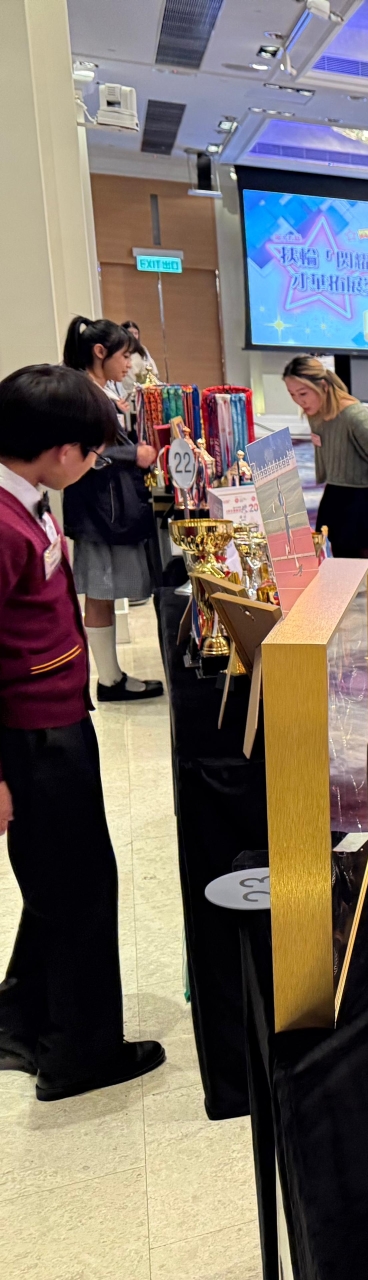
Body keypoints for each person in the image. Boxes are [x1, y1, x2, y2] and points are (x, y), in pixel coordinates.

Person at [0, 364, 166, 1099]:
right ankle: (78, 1056)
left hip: (57, 717)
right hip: (35, 737)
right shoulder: (4, 522)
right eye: (93, 451)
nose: (96, 462)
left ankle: (21, 1019)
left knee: (59, 882)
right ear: (61, 451)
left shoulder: (25, 499)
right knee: (79, 892)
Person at [60, 317, 162, 702]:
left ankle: (111, 677)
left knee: (103, 594)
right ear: (100, 352)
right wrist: (133, 453)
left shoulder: (95, 391)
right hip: (100, 511)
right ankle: (109, 680)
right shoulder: (84, 393)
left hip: (103, 508)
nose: (129, 365)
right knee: (101, 594)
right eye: (124, 356)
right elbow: (87, 452)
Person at [283, 356, 368, 558]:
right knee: (338, 563)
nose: (299, 401)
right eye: (292, 394)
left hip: (363, 501)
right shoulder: (316, 413)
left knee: (363, 570)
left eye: (303, 393)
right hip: (336, 495)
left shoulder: (355, 416)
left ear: (323, 386)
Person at [120, 321, 158, 386]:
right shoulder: (119, 350)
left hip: (143, 386)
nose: (134, 336)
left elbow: (152, 368)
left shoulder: (142, 350)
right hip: (125, 385)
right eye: (130, 333)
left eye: (136, 333)